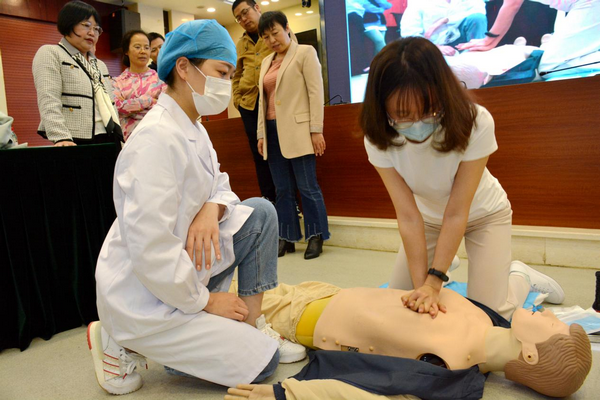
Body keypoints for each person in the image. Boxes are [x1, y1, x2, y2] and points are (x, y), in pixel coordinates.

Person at [86, 19, 306, 396]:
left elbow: (220, 183)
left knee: (260, 213)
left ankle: (250, 325)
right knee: (263, 364)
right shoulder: (154, 140)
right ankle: (115, 337)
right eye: (222, 73)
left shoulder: (194, 128)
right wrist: (207, 301)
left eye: (230, 75)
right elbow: (152, 249)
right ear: (184, 67)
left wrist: (211, 209)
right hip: (144, 297)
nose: (227, 84)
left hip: (182, 270)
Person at [360, 37, 564, 321]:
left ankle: (521, 276)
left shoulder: (475, 121)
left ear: (442, 94)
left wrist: (435, 280)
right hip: (427, 220)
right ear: (381, 107)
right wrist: (422, 287)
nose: (417, 124)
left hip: (484, 215)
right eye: (403, 115)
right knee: (401, 304)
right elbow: (407, 216)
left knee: (491, 315)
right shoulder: (377, 137)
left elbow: (457, 211)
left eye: (429, 110)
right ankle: (445, 260)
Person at [224, 281, 592, 399]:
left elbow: (374, 390)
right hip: (331, 291)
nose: (551, 315)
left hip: (301, 317)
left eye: (553, 326)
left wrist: (288, 393)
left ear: (530, 355)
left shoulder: (450, 368)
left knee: (215, 291)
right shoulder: (490, 318)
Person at [256, 11, 330, 260]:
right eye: (266, 37)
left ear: (287, 28)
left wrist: (316, 130)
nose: (272, 40)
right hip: (272, 131)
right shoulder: (266, 62)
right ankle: (287, 237)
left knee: (307, 186)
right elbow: (263, 101)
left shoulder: (305, 52)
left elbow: (315, 93)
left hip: (299, 130)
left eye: (275, 33)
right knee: (282, 189)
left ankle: (316, 235)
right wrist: (261, 134)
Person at [32, 0, 122, 146]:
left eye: (96, 29)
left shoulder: (99, 65)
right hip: (74, 138)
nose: (92, 33)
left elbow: (110, 103)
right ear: (69, 24)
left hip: (109, 135)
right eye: (86, 25)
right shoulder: (51, 53)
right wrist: (61, 137)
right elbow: (48, 98)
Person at [456, 0, 600, 74]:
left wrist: (489, 40)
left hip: (590, 4)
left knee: (549, 67)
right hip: (579, 6)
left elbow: (512, 4)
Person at [231, 0, 277, 203]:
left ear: (257, 7)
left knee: (279, 152)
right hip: (249, 104)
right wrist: (237, 100)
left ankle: (288, 202)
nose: (243, 19)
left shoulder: (275, 32)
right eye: (238, 18)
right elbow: (236, 74)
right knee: (259, 155)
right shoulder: (240, 43)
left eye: (245, 12)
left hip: (273, 101)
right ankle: (269, 200)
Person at [113, 30, 165, 140]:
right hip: (129, 141)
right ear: (126, 51)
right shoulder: (118, 81)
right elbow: (117, 108)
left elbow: (165, 108)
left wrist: (130, 110)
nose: (143, 51)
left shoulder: (161, 79)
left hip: (158, 137)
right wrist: (148, 100)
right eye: (137, 47)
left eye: (146, 47)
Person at [401, 0, 487, 56]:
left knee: (478, 18)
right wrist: (435, 47)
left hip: (461, 40)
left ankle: (477, 57)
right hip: (431, 46)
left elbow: (479, 11)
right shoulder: (417, 3)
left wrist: (446, 20)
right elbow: (409, 33)